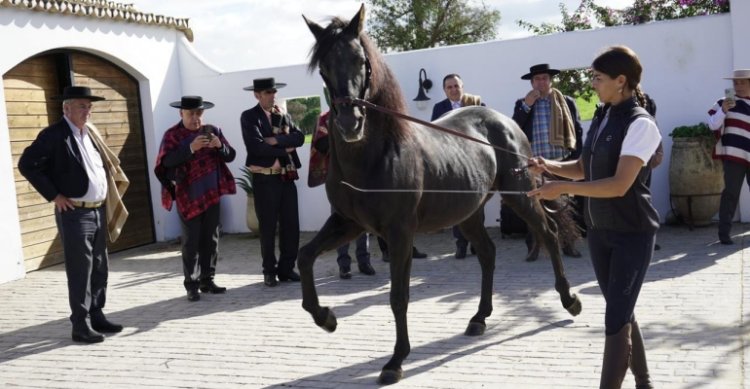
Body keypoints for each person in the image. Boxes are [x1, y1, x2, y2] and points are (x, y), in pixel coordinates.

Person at [527, 46, 659, 389]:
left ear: (621, 81)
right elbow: (585, 167)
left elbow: (618, 185)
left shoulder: (640, 124)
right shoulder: (602, 117)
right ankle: (644, 382)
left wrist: (561, 189)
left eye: (597, 78)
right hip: (600, 234)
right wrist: (548, 167)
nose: (592, 84)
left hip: (633, 234)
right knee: (622, 312)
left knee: (615, 317)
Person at [18, 86, 127, 343]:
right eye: (81, 106)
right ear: (66, 108)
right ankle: (80, 324)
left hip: (98, 209)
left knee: (100, 266)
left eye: (89, 106)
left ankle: (97, 314)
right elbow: (27, 164)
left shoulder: (90, 133)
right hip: (75, 214)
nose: (87, 110)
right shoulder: (54, 135)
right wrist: (54, 195)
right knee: (81, 269)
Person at [154, 96, 236, 301]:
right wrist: (191, 148)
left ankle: (207, 280)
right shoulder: (172, 135)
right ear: (181, 113)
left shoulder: (213, 130)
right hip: (188, 195)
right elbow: (166, 163)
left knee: (211, 239)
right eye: (191, 113)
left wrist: (219, 146)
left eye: (199, 113)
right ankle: (191, 284)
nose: (195, 118)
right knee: (191, 242)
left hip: (212, 193)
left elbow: (230, 156)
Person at [513, 63, 585, 258]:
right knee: (534, 206)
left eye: (544, 78)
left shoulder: (565, 101)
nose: (541, 82)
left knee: (564, 205)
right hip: (535, 164)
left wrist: (576, 158)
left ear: (550, 80)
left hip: (562, 163)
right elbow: (515, 128)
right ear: (531, 82)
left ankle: (568, 244)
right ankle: (534, 247)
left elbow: (577, 130)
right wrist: (526, 105)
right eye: (537, 79)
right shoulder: (523, 103)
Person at [241, 77, 304, 287]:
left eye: (273, 91)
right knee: (267, 228)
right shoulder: (249, 117)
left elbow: (300, 138)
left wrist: (277, 140)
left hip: (286, 178)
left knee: (291, 225)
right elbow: (256, 147)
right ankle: (269, 271)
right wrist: (285, 147)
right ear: (257, 95)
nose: (272, 95)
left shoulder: (282, 114)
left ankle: (287, 269)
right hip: (265, 180)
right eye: (268, 92)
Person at [310, 107, 377, 279]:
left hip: (361, 177)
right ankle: (344, 265)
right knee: (341, 222)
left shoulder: (361, 116)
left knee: (364, 222)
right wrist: (345, 141)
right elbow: (320, 143)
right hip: (339, 180)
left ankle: (364, 262)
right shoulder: (325, 118)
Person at [431, 73, 486, 259]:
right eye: (449, 87)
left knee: (478, 203)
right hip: (453, 163)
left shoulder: (477, 104)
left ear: (462, 86)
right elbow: (434, 134)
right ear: (445, 90)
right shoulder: (439, 108)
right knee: (457, 204)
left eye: (456, 86)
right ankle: (460, 244)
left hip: (476, 162)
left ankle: (476, 243)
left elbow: (486, 131)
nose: (454, 90)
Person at [707, 69, 750, 245]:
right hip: (734, 155)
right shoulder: (724, 102)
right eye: (735, 83)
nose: (738, 86)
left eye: (742, 82)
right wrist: (723, 111)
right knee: (731, 193)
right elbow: (712, 125)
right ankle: (724, 233)